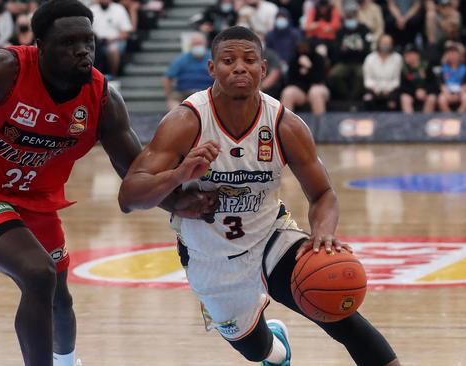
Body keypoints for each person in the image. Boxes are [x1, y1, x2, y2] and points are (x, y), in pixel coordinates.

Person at [0, 1, 214, 365]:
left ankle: (67, 362)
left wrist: (179, 200)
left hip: (37, 199)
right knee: (38, 272)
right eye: (68, 43)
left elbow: (134, 172)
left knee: (60, 296)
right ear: (40, 46)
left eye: (88, 42)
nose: (82, 51)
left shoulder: (102, 99)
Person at [118, 26, 401, 366]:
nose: (240, 67)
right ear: (211, 68)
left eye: (249, 60)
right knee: (255, 350)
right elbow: (129, 197)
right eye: (228, 60)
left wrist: (323, 232)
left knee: (339, 314)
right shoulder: (186, 121)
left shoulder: (285, 125)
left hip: (271, 238)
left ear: (263, 69)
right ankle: (276, 349)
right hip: (209, 255)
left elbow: (323, 193)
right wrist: (179, 176)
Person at [328, 1, 372, 101]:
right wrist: (342, 50)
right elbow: (335, 50)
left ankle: (355, 97)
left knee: (362, 75)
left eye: (352, 17)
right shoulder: (341, 31)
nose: (350, 19)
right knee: (334, 75)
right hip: (344, 62)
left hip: (360, 62)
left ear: (357, 17)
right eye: (348, 17)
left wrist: (362, 48)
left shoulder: (364, 29)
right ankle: (345, 95)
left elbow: (369, 48)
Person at [162, 33, 214, 111]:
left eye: (200, 43)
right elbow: (167, 77)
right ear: (190, 45)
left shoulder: (213, 57)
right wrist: (169, 95)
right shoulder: (182, 59)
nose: (198, 46)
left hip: (208, 92)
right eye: (195, 44)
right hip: (184, 92)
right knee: (173, 101)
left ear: (205, 44)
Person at [281, 40, 329, 114]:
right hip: (301, 91)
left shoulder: (318, 58)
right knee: (287, 93)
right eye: (301, 47)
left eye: (305, 47)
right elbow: (290, 81)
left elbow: (319, 79)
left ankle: (320, 124)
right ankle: (285, 124)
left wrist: (309, 67)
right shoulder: (294, 59)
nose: (303, 50)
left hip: (318, 88)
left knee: (315, 93)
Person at [90, 0, 134, 77]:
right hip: (95, 41)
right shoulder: (92, 9)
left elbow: (126, 32)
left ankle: (113, 76)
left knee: (113, 50)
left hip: (115, 41)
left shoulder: (119, 9)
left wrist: (111, 40)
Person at [363, 34, 403, 110]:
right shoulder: (370, 58)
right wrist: (376, 89)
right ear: (378, 44)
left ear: (392, 45)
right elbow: (367, 79)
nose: (385, 45)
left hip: (391, 89)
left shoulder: (398, 58)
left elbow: (397, 79)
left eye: (388, 43)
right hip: (374, 89)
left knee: (394, 100)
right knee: (367, 98)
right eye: (383, 43)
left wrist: (387, 89)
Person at [399, 44, 438, 113]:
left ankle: (426, 121)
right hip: (411, 94)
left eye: (411, 54)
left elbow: (433, 84)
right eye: (407, 55)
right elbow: (403, 87)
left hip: (425, 93)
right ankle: (409, 122)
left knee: (432, 98)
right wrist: (415, 92)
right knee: (404, 98)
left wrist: (425, 91)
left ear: (417, 55)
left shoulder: (426, 66)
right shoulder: (404, 69)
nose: (409, 57)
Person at [438, 42, 466, 112]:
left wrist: (459, 94)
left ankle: (459, 115)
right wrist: (447, 94)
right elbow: (442, 84)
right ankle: (449, 116)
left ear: (459, 55)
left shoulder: (465, 69)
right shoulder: (444, 69)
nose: (452, 56)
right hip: (447, 92)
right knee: (441, 99)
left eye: (454, 53)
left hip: (460, 92)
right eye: (450, 54)